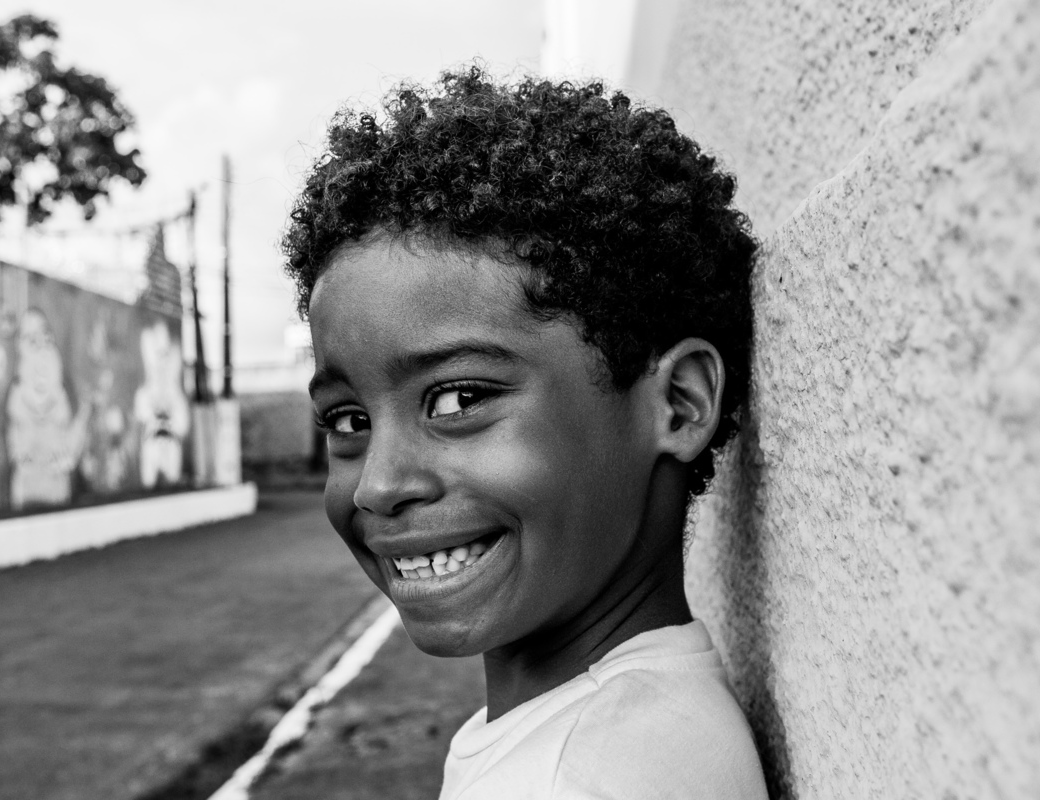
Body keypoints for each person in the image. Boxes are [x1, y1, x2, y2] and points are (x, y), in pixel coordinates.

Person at [286, 65, 769, 799]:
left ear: (676, 403)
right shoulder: (601, 731)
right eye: (349, 420)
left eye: (458, 399)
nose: (380, 485)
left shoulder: (594, 775)